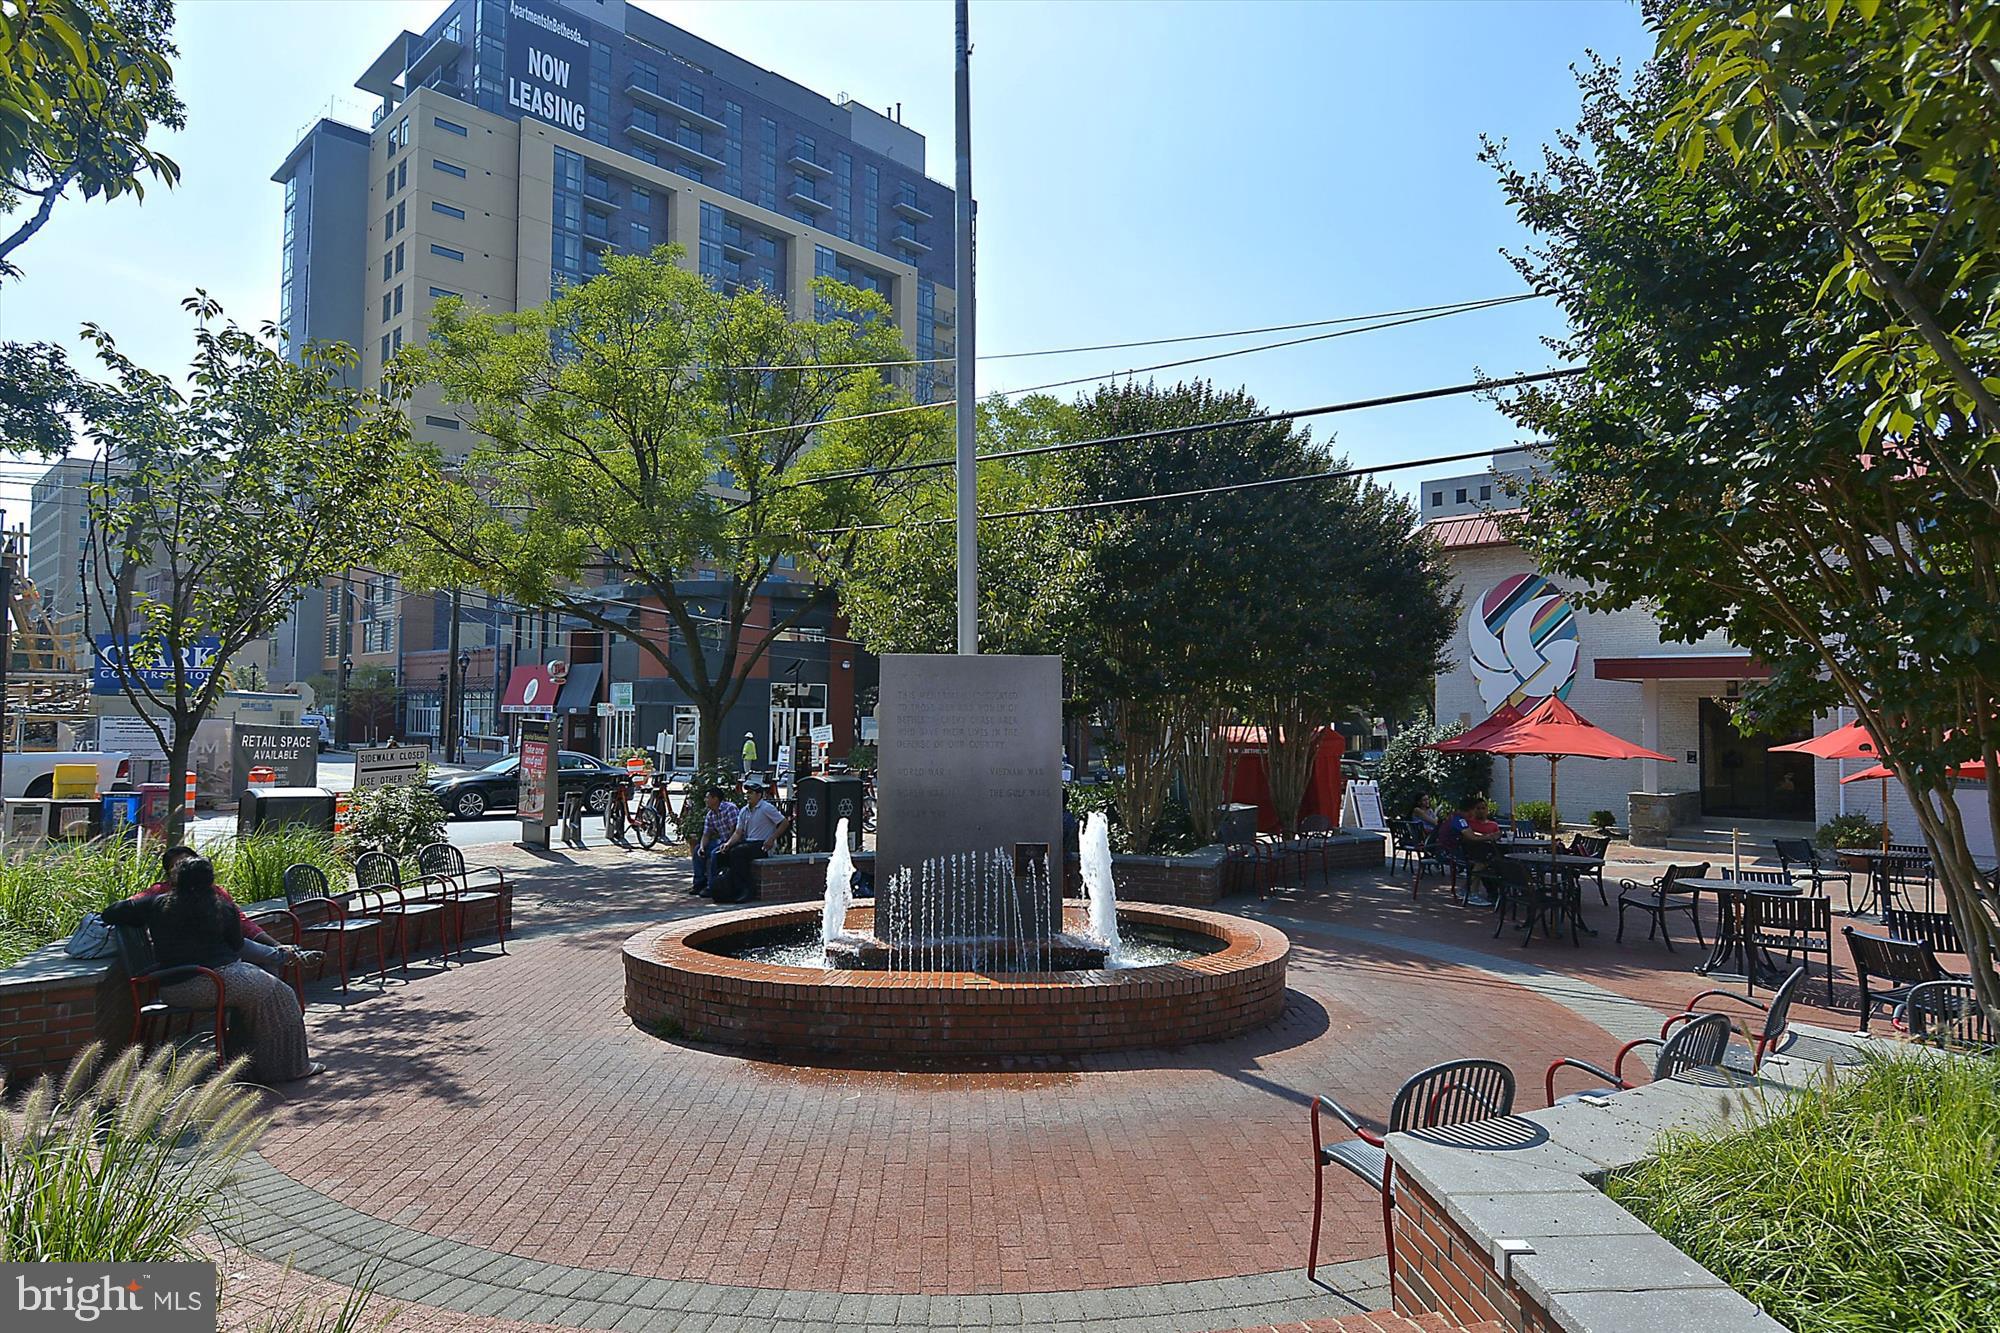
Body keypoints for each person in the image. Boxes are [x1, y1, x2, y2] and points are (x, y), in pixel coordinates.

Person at [103, 857, 321, 1083]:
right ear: (210, 880)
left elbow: (110, 913)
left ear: (178, 879)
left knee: (255, 997)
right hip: (214, 980)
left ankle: (244, 1064)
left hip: (172, 986)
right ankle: (292, 1067)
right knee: (283, 995)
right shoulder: (222, 908)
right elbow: (237, 947)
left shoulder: (156, 904)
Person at [140, 844, 321, 978]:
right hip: (200, 961)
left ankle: (254, 1016)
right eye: (177, 867)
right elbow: (128, 906)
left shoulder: (216, 893)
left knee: (267, 967)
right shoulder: (159, 894)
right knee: (259, 960)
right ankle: (286, 957)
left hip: (222, 952)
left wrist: (274, 942)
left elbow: (243, 924)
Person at [717, 777, 790, 903]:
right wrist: (727, 844)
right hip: (749, 843)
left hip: (763, 844)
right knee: (723, 854)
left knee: (738, 852)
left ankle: (748, 890)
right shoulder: (744, 811)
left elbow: (784, 822)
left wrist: (771, 839)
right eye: (747, 793)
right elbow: (738, 832)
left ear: (759, 795)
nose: (747, 796)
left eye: (751, 793)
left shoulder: (766, 808)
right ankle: (728, 888)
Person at [690, 786, 738, 898]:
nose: (705, 800)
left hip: (734, 841)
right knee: (697, 849)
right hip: (722, 841)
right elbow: (706, 834)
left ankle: (711, 886)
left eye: (707, 798)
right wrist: (702, 847)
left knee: (714, 854)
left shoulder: (729, 808)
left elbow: (735, 829)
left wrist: (727, 844)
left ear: (715, 799)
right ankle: (699, 883)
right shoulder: (710, 814)